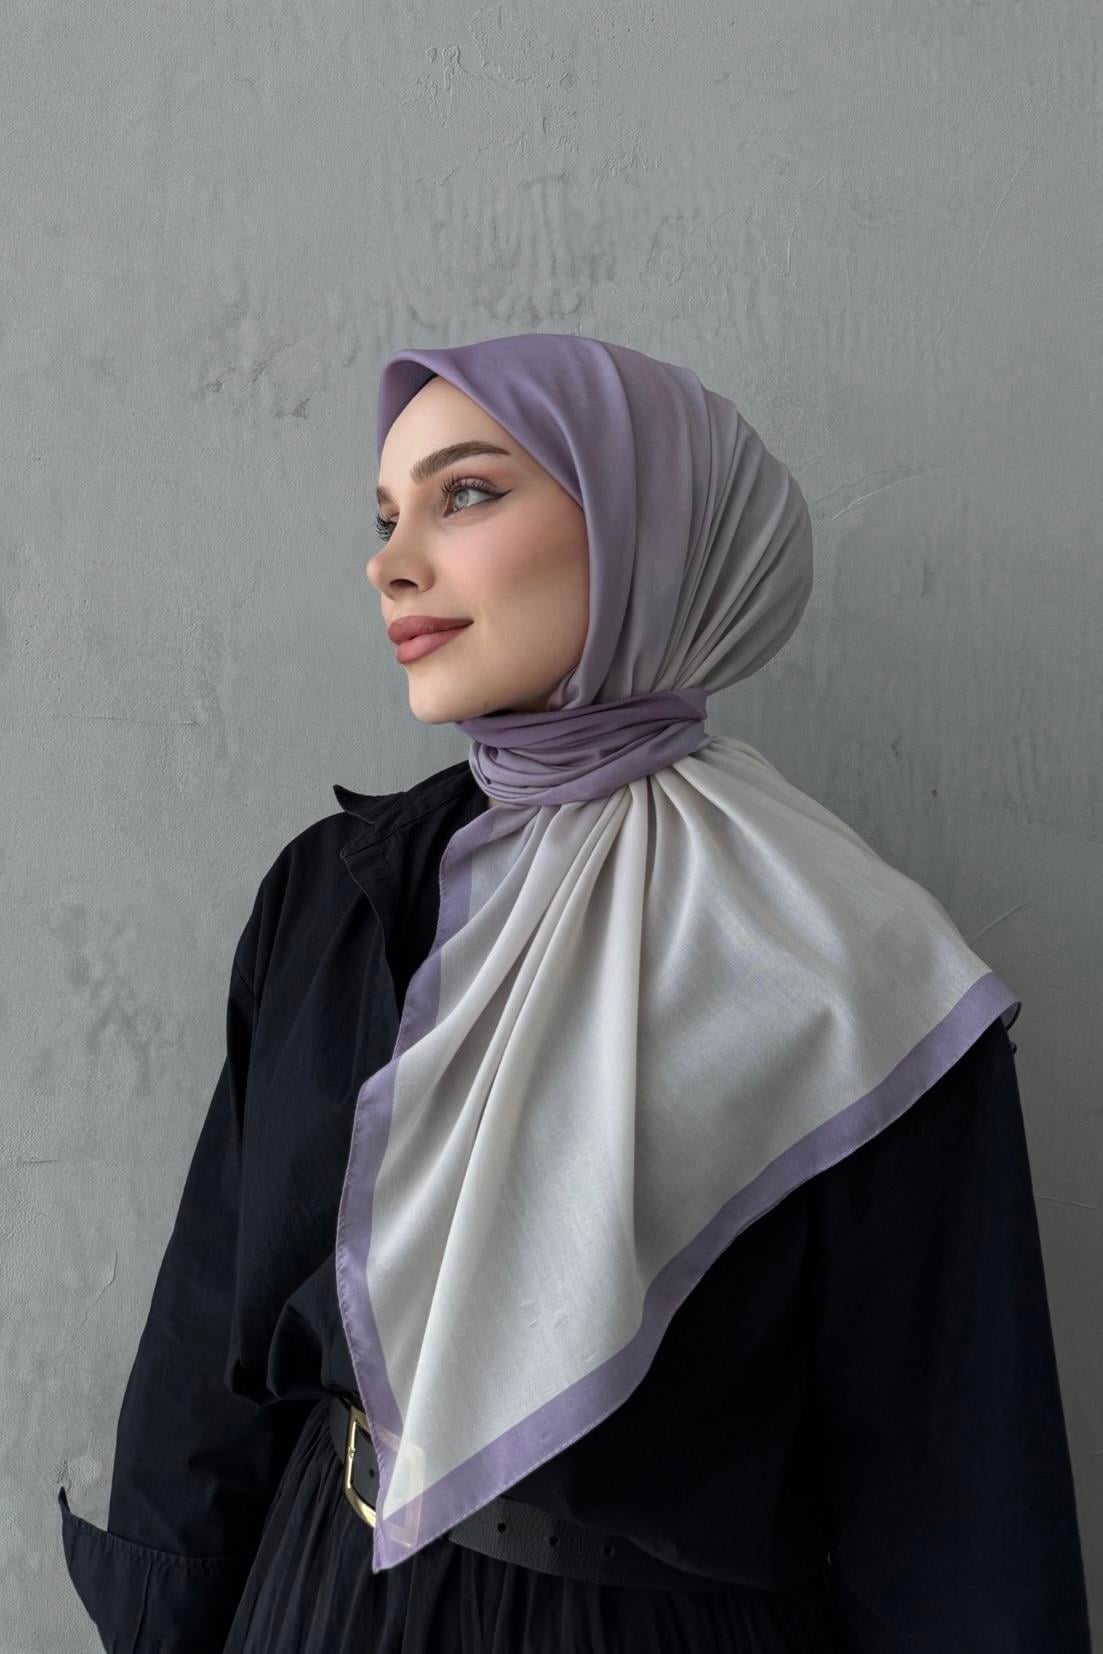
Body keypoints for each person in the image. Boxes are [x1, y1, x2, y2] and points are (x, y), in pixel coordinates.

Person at [58, 334, 1091, 1653]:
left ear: (644, 527)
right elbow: (210, 1354)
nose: (392, 563)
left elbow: (953, 1487)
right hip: (320, 1598)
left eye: (465, 493)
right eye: (384, 517)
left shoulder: (856, 969)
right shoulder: (334, 898)